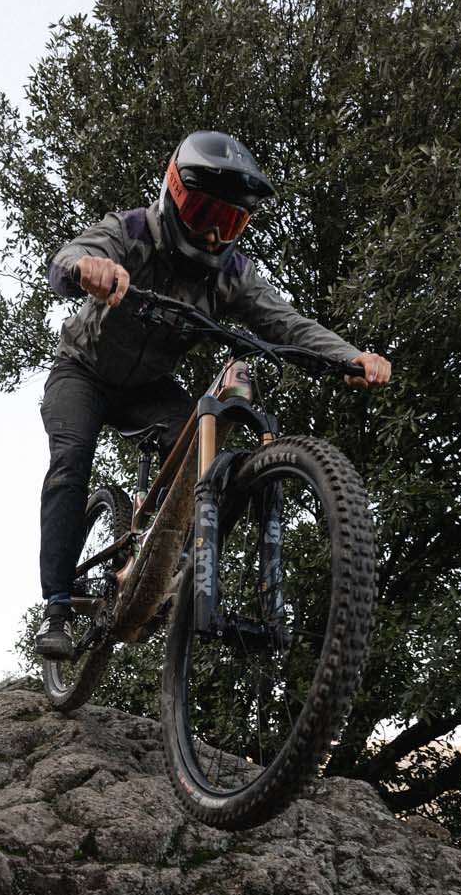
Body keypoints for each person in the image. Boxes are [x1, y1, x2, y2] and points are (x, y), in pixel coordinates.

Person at [34, 130, 392, 660]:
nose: (213, 234)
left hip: (147, 389)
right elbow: (70, 257)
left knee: (207, 458)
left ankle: (165, 566)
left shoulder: (231, 275)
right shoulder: (132, 231)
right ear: (174, 195)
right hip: (82, 372)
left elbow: (287, 324)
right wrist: (89, 267)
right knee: (71, 463)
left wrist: (351, 357)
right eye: (204, 214)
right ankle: (58, 608)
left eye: (231, 222)